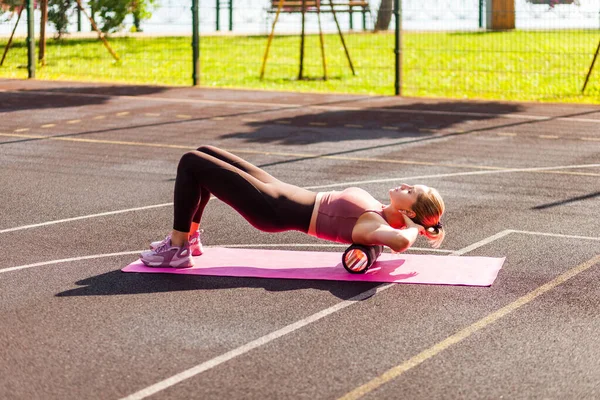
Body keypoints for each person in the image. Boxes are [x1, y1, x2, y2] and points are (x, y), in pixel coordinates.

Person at [140, 145, 445, 268]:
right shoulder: (380, 209)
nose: (405, 185)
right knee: (204, 154)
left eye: (410, 191)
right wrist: (422, 224)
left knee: (191, 163)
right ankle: (189, 238)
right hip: (280, 190)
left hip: (273, 209)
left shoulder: (374, 227)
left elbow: (401, 243)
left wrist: (417, 228)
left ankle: (177, 248)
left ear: (409, 212)